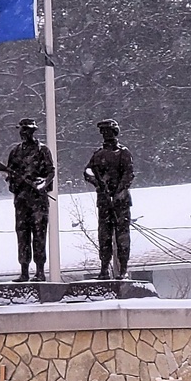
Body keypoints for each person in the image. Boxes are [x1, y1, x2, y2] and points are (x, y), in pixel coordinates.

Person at [0, 118, 55, 282]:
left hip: (38, 201)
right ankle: (24, 271)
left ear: (32, 132)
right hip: (21, 201)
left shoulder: (43, 150)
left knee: (39, 236)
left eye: (26, 130)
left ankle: (40, 271)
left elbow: (50, 172)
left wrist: (42, 183)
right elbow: (9, 175)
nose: (23, 133)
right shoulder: (15, 152)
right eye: (21, 130)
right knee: (22, 236)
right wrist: (13, 180)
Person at [84, 119, 134, 279]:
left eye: (108, 132)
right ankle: (104, 268)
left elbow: (128, 174)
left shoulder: (123, 153)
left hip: (121, 202)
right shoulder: (98, 154)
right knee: (104, 236)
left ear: (115, 132)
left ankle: (123, 269)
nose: (106, 135)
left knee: (122, 237)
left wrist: (118, 191)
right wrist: (99, 184)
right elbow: (87, 172)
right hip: (104, 202)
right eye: (103, 133)